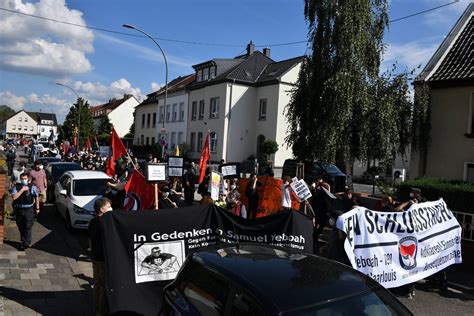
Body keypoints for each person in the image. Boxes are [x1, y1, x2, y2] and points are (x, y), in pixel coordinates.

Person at [89, 197, 112, 316]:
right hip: (102, 259)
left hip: (95, 257)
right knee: (104, 285)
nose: (110, 209)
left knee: (97, 283)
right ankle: (101, 311)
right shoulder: (103, 223)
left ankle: (96, 306)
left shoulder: (93, 221)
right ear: (102, 209)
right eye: (108, 207)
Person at [11, 173, 40, 250]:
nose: (24, 180)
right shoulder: (16, 187)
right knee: (20, 226)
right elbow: (14, 197)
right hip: (19, 210)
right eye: (23, 179)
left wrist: (37, 208)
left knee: (28, 226)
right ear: (20, 179)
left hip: (29, 209)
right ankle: (23, 240)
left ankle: (26, 242)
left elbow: (36, 197)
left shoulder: (32, 187)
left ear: (28, 179)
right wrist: (22, 190)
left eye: (25, 179)